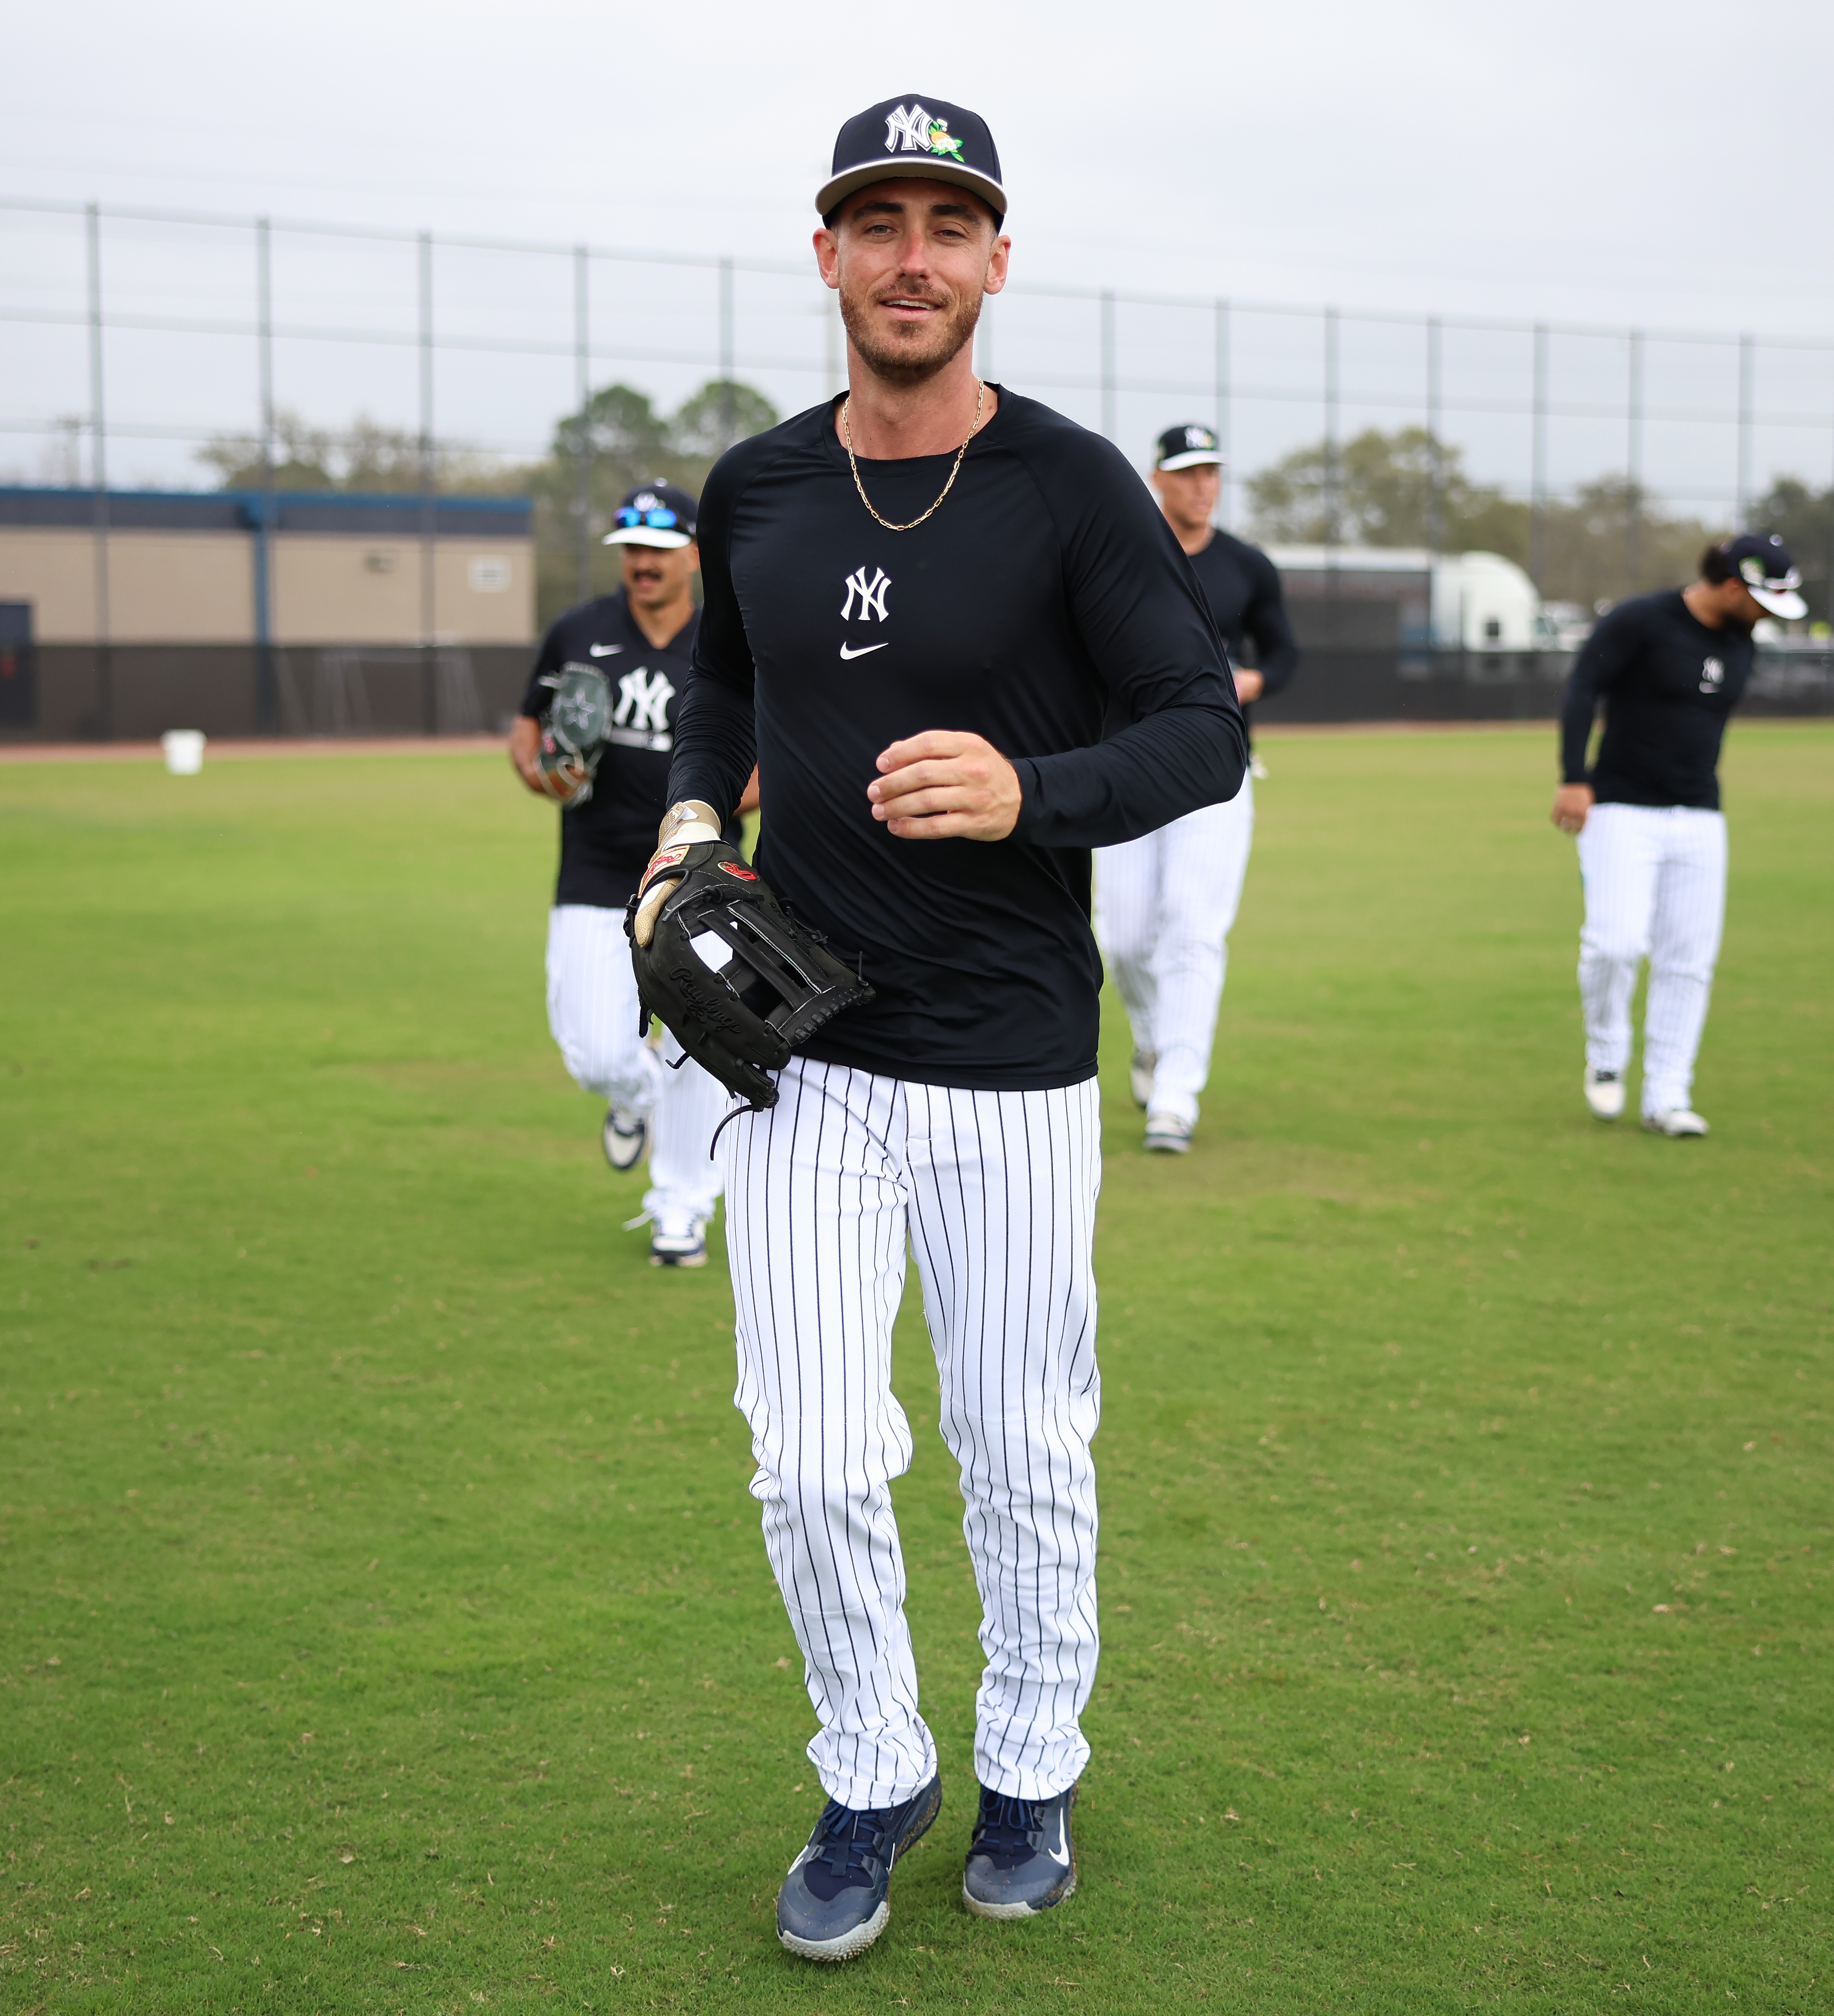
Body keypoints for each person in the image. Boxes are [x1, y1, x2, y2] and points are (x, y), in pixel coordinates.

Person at [654, 94, 1245, 1963]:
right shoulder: (752, 487)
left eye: (948, 222)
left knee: (1018, 1446)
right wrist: (687, 818)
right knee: (812, 1455)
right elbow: (715, 692)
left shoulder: (1067, 486)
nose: (913, 255)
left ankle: (1031, 1770)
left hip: (1008, 1063)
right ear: (826, 253)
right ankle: (870, 1771)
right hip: (806, 1051)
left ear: (996, 258)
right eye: (878, 220)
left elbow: (1200, 728)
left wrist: (1031, 792)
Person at [510, 482, 750, 1266]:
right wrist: (541, 773)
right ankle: (629, 1095)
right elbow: (528, 734)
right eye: (630, 551)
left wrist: (713, 806)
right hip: (592, 864)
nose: (641, 564)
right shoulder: (577, 632)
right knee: (595, 1053)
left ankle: (679, 1206)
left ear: (693, 554)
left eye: (656, 548)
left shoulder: (735, 634)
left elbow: (778, 753)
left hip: (699, 873)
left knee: (695, 1040)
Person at [1551, 533, 1806, 1136]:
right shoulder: (1642, 620)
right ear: (1733, 586)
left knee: (1688, 961)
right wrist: (1573, 777)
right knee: (1615, 943)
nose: (1770, 616)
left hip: (1699, 815)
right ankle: (1608, 1052)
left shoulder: (1745, 640)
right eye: (1765, 600)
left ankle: (1668, 1093)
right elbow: (1583, 687)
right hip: (1620, 809)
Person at [1091, 423, 1299, 1152]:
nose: (1202, 486)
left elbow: (1284, 650)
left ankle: (1175, 1095)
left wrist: (1255, 679)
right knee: (1122, 938)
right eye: (1186, 473)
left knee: (1192, 928)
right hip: (1121, 762)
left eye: (1211, 472)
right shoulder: (1118, 553)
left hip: (1214, 771)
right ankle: (1152, 1040)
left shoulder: (1246, 566)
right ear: (1157, 479)